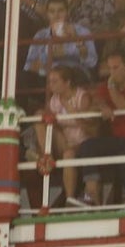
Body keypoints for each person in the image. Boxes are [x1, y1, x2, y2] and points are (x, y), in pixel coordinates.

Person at [73, 50, 125, 206]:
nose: (112, 72)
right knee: (88, 146)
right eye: (110, 68)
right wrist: (104, 105)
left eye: (116, 67)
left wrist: (111, 85)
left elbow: (123, 105)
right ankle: (91, 194)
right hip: (119, 140)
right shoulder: (106, 87)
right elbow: (98, 98)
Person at [31, 66, 96, 206]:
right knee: (39, 116)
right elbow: (50, 123)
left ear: (67, 83)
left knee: (68, 154)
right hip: (64, 141)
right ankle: (46, 155)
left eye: (55, 81)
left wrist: (68, 106)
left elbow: (86, 124)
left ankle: (70, 198)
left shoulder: (82, 96)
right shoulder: (54, 100)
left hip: (83, 141)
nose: (51, 85)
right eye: (50, 82)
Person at [24, 0, 97, 81]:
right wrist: (48, 57)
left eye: (61, 11)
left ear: (67, 12)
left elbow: (92, 62)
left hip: (75, 72)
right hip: (48, 74)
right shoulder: (40, 35)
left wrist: (75, 37)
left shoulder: (82, 31)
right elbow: (29, 66)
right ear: (47, 14)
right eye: (52, 12)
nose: (56, 15)